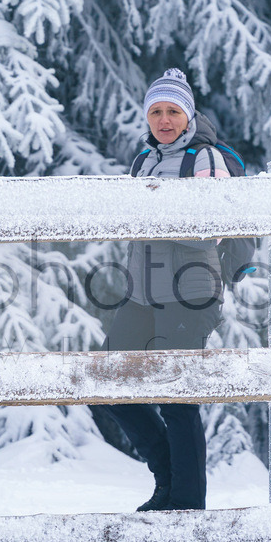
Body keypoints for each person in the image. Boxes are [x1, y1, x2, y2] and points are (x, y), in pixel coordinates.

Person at [98, 69, 230, 512]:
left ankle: (186, 502)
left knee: (177, 397)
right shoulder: (143, 160)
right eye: (156, 111)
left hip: (191, 293)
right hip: (144, 293)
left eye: (173, 111)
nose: (164, 120)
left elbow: (210, 228)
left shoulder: (205, 158)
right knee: (108, 378)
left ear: (188, 116)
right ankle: (168, 477)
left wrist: (155, 212)